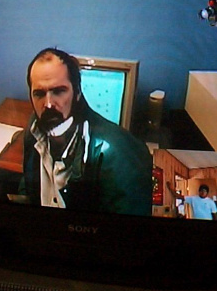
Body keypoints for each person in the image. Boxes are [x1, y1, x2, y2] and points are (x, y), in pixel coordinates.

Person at [20, 47, 153, 216]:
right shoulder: (34, 130)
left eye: (59, 91)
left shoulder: (117, 154)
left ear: (77, 92)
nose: (48, 104)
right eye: (39, 94)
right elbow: (28, 184)